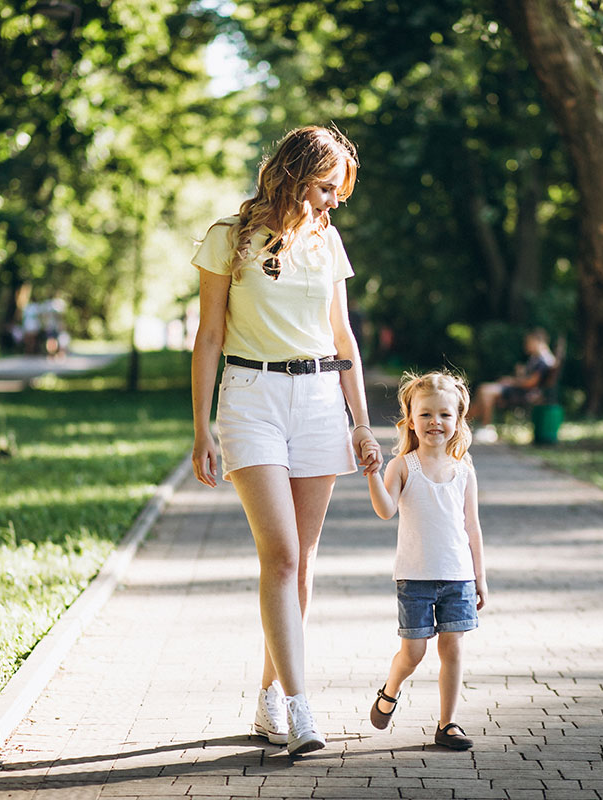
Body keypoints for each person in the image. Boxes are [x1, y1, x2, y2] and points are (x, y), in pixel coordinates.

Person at [190, 126, 384, 756]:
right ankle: (302, 709)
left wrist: (361, 421)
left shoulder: (329, 243)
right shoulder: (230, 239)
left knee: (301, 563)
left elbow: (344, 337)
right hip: (251, 399)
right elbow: (210, 337)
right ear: (297, 176)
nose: (333, 202)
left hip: (322, 400)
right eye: (327, 188)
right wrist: (200, 430)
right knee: (279, 554)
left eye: (338, 193)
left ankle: (272, 695)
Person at [365, 371, 487, 751]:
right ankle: (390, 690)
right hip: (415, 578)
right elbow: (386, 510)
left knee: (453, 648)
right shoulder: (402, 465)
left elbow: (473, 527)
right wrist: (372, 474)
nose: (436, 422)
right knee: (413, 653)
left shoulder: (463, 469)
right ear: (411, 419)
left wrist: (480, 578)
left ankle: (448, 724)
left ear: (458, 420)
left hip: (458, 577)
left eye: (445, 415)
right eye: (426, 415)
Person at [468, 328, 557, 442]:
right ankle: (466, 423)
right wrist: (519, 374)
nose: (526, 345)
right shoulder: (538, 358)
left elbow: (530, 383)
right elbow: (530, 379)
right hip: (521, 390)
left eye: (528, 342)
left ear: (537, 341)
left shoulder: (543, 360)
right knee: (483, 389)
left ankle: (485, 428)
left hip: (525, 393)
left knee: (486, 391)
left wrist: (511, 381)